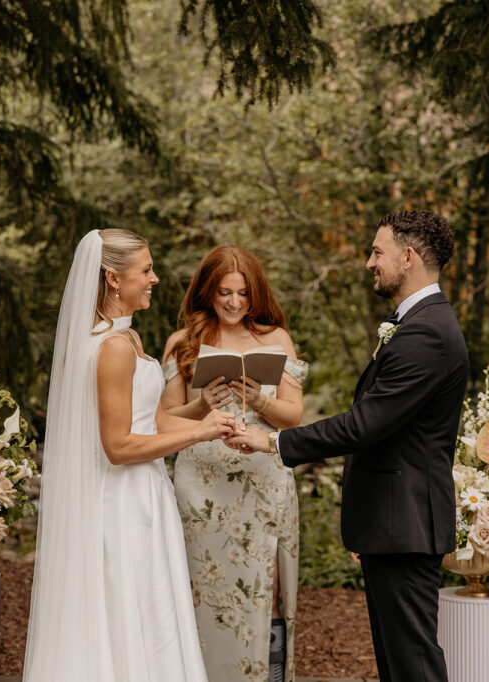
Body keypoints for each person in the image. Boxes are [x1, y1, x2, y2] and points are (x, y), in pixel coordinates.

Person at [229, 210, 468, 682]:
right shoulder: (419, 323)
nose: (368, 263)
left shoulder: (427, 333)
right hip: (394, 523)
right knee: (400, 664)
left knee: (414, 664)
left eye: (377, 252)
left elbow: (364, 426)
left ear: (409, 256)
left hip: (405, 525)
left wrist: (271, 440)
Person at [23, 229, 235, 681]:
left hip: (145, 496)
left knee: (151, 609)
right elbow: (118, 446)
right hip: (119, 503)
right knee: (130, 610)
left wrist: (205, 411)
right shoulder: (113, 349)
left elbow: (153, 421)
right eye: (146, 270)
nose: (155, 279)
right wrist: (201, 433)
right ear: (113, 279)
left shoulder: (129, 338)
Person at [160, 246, 307, 682]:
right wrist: (201, 405)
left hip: (263, 481)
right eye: (224, 292)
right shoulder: (183, 343)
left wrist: (258, 398)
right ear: (208, 291)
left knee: (265, 593)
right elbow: (161, 422)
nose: (234, 302)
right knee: (200, 592)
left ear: (255, 294)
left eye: (243, 293)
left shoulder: (275, 339)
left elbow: (294, 416)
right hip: (201, 485)